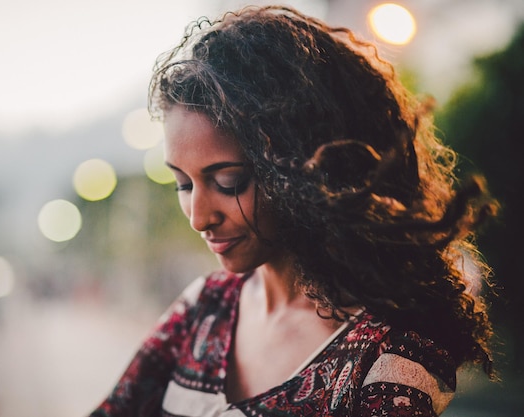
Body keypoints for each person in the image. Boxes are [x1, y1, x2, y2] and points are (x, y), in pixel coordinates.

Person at [89, 4, 498, 416]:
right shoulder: (205, 307)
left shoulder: (389, 354)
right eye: (183, 183)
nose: (198, 217)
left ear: (304, 167)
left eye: (228, 182)